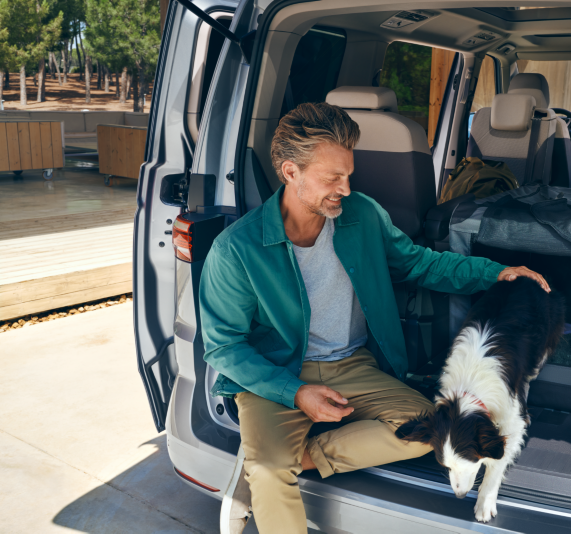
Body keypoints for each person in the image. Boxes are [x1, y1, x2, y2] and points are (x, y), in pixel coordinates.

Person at [199, 102, 550, 533]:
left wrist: (496, 272)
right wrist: (295, 393)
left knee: (426, 432)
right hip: (274, 373)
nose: (345, 189)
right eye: (332, 178)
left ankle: (291, 457)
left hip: (352, 365)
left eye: (349, 175)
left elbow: (419, 264)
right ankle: (268, 465)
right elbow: (223, 346)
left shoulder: (362, 214)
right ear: (291, 173)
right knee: (271, 476)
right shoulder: (236, 249)